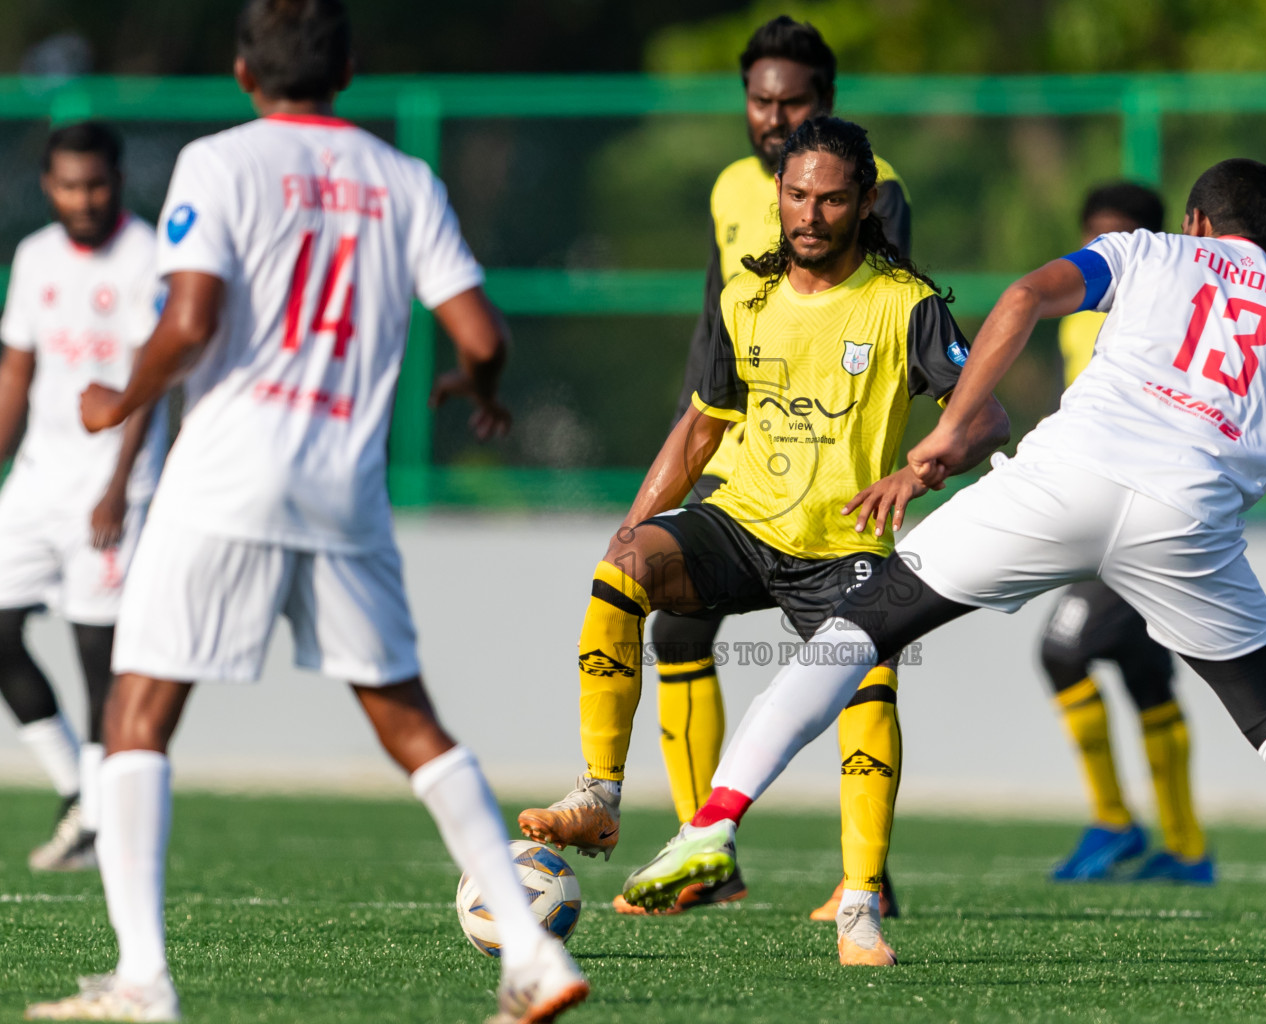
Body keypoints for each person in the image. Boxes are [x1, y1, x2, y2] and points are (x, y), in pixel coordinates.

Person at [619, 158, 1266, 998]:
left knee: (862, 629)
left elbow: (1024, 297)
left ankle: (713, 824)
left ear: (1198, 220)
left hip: (1064, 482)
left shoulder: (1148, 249)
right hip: (1189, 523)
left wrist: (949, 432)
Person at [23, 2, 588, 1021]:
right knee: (408, 716)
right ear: (352, 71)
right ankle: (534, 958)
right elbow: (480, 329)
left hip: (227, 476)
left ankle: (143, 977)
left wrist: (122, 397)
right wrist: (481, 385)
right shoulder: (405, 179)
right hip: (344, 486)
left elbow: (191, 319)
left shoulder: (219, 161)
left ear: (244, 72)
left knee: (139, 710)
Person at [520, 116, 1007, 966]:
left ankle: (859, 906)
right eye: (795, 196)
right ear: (776, 196)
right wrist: (635, 523)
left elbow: (985, 413)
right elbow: (699, 429)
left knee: (871, 683)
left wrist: (922, 472)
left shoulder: (906, 304)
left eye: (830, 199)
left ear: (863, 206)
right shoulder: (744, 297)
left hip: (842, 543)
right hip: (742, 522)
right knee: (622, 569)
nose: (808, 214)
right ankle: (598, 795)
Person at [642, 14, 912, 919]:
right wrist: (694, 426)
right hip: (740, 457)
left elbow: (882, 316)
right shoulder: (728, 189)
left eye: (792, 100)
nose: (772, 115)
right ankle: (702, 855)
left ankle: (867, 877)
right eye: (760, 99)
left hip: (827, 465)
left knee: (849, 662)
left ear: (825, 104)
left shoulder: (881, 193)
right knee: (674, 626)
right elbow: (713, 317)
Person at [0, 121, 166, 874]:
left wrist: (117, 488)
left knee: (98, 657)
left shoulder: (147, 257)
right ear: (48, 186)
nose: (83, 198)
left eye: (95, 184)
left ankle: (102, 820)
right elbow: (16, 373)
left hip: (111, 491)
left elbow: (149, 381)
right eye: (69, 185)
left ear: (117, 181)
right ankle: (78, 793)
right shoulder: (34, 258)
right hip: (37, 482)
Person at [1039, 182, 1212, 884]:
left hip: (1138, 514)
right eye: (1091, 238)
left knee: (1063, 650)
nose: (1097, 253)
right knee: (1144, 672)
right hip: (1110, 508)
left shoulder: (1159, 311)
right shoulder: (1076, 314)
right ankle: (1188, 847)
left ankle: (1115, 822)